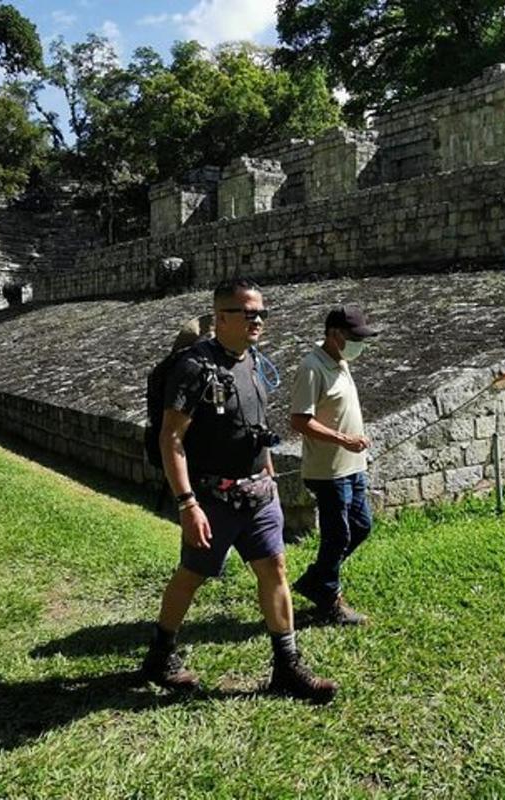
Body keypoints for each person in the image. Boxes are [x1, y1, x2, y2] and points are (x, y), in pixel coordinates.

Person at [141, 277, 337, 703]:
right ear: (221, 317)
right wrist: (187, 504)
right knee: (192, 576)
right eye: (249, 313)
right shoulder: (193, 368)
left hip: (258, 493)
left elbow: (254, 428)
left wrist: (267, 474)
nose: (259, 320)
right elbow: (170, 439)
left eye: (262, 312)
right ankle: (159, 654)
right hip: (212, 498)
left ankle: (287, 668)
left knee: (275, 570)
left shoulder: (253, 362)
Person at [289, 305, 379, 625]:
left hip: (352, 465)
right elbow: (300, 420)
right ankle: (329, 600)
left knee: (361, 526)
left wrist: (354, 444)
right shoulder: (312, 367)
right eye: (353, 337)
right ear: (333, 334)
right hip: (328, 470)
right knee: (337, 535)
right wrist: (342, 439)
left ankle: (317, 580)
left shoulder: (340, 362)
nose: (358, 344)